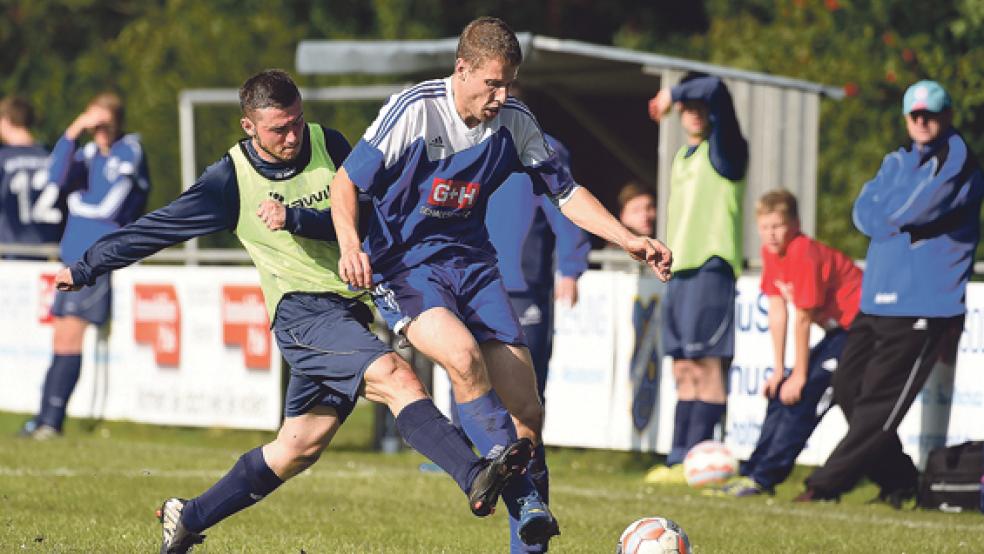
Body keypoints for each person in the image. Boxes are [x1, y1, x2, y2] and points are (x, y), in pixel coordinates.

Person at [52, 70, 534, 553]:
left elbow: (363, 219)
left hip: (348, 315)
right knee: (397, 376)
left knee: (298, 447)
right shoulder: (231, 179)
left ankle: (189, 515)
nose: (292, 136)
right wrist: (88, 266)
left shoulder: (331, 143)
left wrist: (299, 218)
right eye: (278, 129)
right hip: (302, 315)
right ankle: (474, 475)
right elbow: (159, 227)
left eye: (297, 122)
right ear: (249, 127)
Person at [330, 17, 672, 553]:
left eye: (509, 82)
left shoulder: (514, 120)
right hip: (406, 267)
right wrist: (352, 246)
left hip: (474, 265)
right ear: (461, 69)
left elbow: (565, 192)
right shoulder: (416, 109)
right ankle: (525, 502)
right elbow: (345, 180)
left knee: (527, 412)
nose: (501, 94)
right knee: (463, 359)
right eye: (492, 82)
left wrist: (626, 236)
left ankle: (529, 545)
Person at [797, 80, 983, 507]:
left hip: (923, 304)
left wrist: (890, 215)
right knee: (846, 387)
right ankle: (899, 480)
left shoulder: (957, 158)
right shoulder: (896, 159)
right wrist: (887, 217)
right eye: (915, 115)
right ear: (906, 118)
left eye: (930, 114)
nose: (922, 122)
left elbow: (918, 207)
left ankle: (824, 485)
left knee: (879, 406)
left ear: (947, 115)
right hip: (876, 298)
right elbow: (864, 209)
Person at [714, 189, 861, 497]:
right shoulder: (771, 253)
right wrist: (781, 370)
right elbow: (778, 310)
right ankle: (752, 473)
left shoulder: (803, 252)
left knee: (802, 394)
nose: (771, 234)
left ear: (795, 223)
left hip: (861, 330)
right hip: (839, 333)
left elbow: (803, 318)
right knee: (781, 393)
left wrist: (800, 375)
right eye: (765, 227)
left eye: (777, 226)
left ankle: (765, 479)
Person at [20, 92, 150, 439]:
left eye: (104, 124)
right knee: (61, 337)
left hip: (97, 260)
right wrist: (74, 131)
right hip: (71, 258)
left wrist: (77, 202)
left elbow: (110, 207)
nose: (100, 132)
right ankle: (44, 418)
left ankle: (51, 421)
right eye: (95, 125)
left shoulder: (129, 151)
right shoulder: (90, 152)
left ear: (117, 121)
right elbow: (54, 178)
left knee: (70, 337)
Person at [644, 73, 748, 484]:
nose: (692, 112)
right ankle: (678, 459)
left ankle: (703, 463)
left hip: (711, 268)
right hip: (681, 271)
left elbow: (716, 88)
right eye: (686, 107)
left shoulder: (726, 151)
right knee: (684, 367)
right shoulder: (682, 156)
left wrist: (673, 92)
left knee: (707, 366)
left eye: (696, 105)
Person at [484, 130, 590, 516]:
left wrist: (572, 267)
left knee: (525, 388)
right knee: (467, 369)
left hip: (523, 286)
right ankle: (474, 458)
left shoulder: (542, 147)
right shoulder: (463, 142)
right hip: (474, 282)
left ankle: (526, 469)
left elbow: (564, 202)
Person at [0, 96, 66, 258]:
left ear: (6, 120)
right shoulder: (51, 156)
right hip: (50, 251)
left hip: (11, 249)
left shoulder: (3, 158)